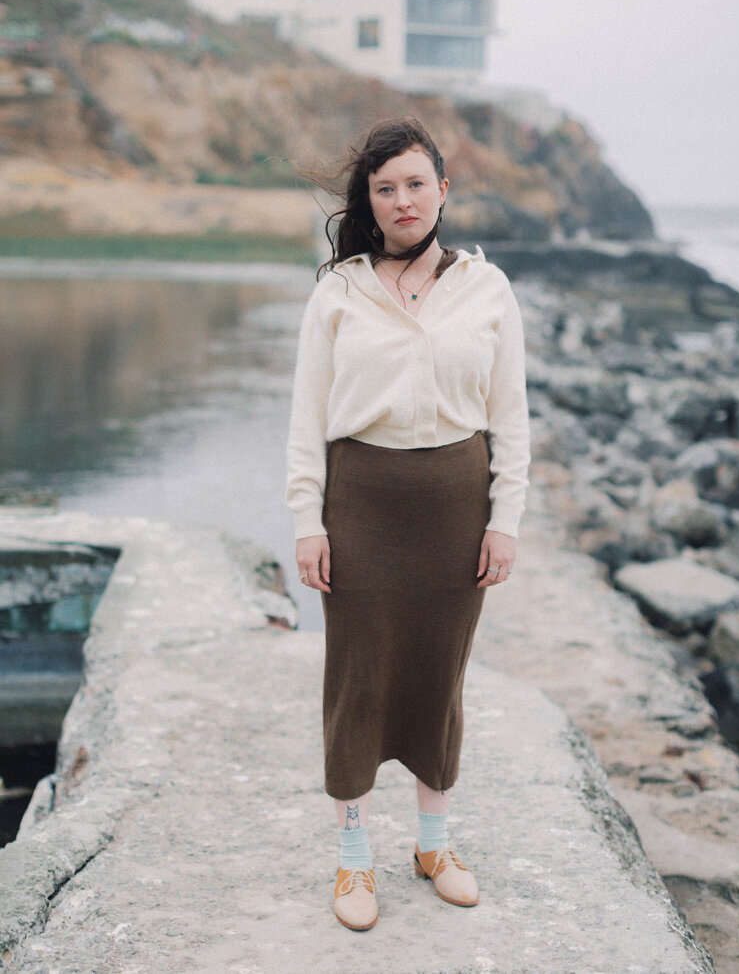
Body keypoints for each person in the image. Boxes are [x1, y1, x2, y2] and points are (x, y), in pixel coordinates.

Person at [286, 117, 530, 931]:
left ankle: (434, 843)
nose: (401, 200)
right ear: (369, 201)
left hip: (456, 506)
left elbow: (512, 420)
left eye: (415, 183)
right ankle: (354, 861)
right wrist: (306, 521)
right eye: (384, 188)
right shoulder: (337, 291)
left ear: (443, 191)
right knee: (356, 678)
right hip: (360, 501)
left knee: (439, 674)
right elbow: (305, 419)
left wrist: (506, 519)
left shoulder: (488, 290)